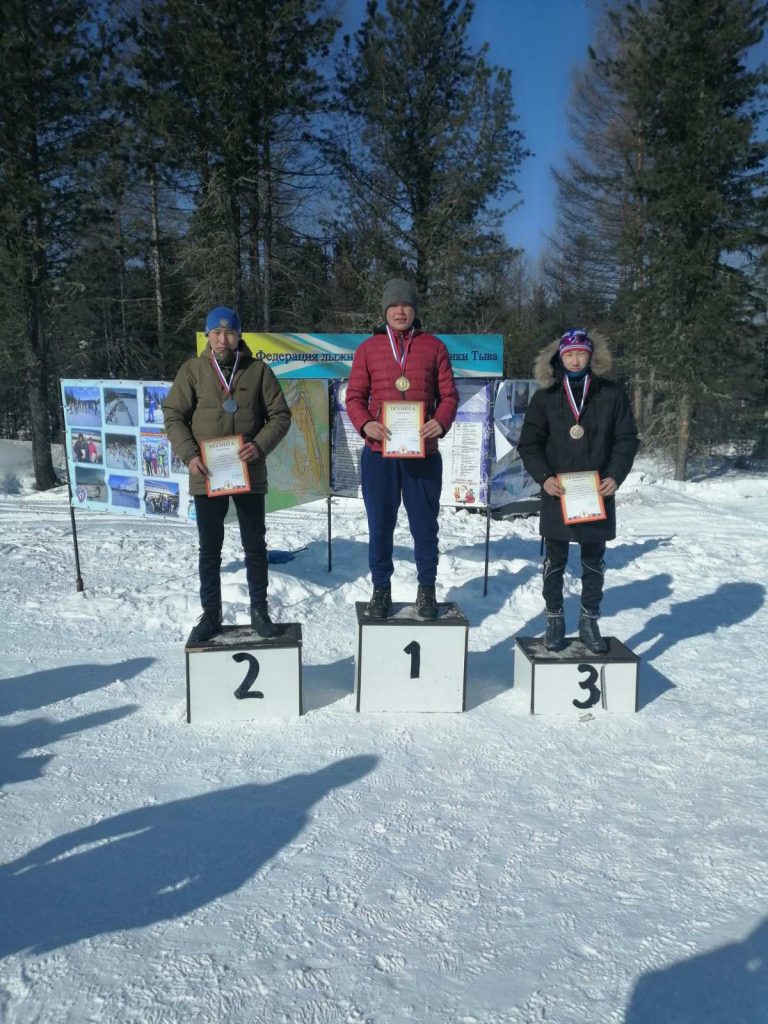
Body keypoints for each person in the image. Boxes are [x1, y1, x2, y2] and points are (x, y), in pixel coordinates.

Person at [164, 306, 291, 642]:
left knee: (255, 546)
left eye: (230, 333)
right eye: (217, 333)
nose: (223, 339)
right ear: (208, 336)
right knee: (210, 549)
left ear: (239, 336)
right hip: (206, 472)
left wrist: (260, 446)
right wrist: (190, 455)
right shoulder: (192, 370)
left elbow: (280, 415)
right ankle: (211, 614)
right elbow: (173, 415)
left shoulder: (258, 371)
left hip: (248, 470)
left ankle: (260, 610)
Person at [517, 328, 638, 653]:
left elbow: (626, 439)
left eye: (581, 354)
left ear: (591, 356)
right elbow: (529, 444)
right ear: (559, 358)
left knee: (593, 560)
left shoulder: (611, 394)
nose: (574, 360)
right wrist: (544, 477)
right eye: (569, 354)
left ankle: (589, 619)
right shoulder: (545, 396)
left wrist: (615, 475)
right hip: (558, 491)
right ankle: (554, 618)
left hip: (598, 492)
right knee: (555, 559)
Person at [345, 279, 459, 619]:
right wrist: (366, 424)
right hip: (379, 454)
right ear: (385, 311)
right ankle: (381, 589)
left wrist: (440, 421)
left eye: (406, 305)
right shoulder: (368, 349)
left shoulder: (434, 347)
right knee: (380, 524)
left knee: (424, 526)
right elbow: (354, 397)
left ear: (414, 309)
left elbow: (449, 395)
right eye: (393, 305)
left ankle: (427, 589)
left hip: (423, 454)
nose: (400, 311)